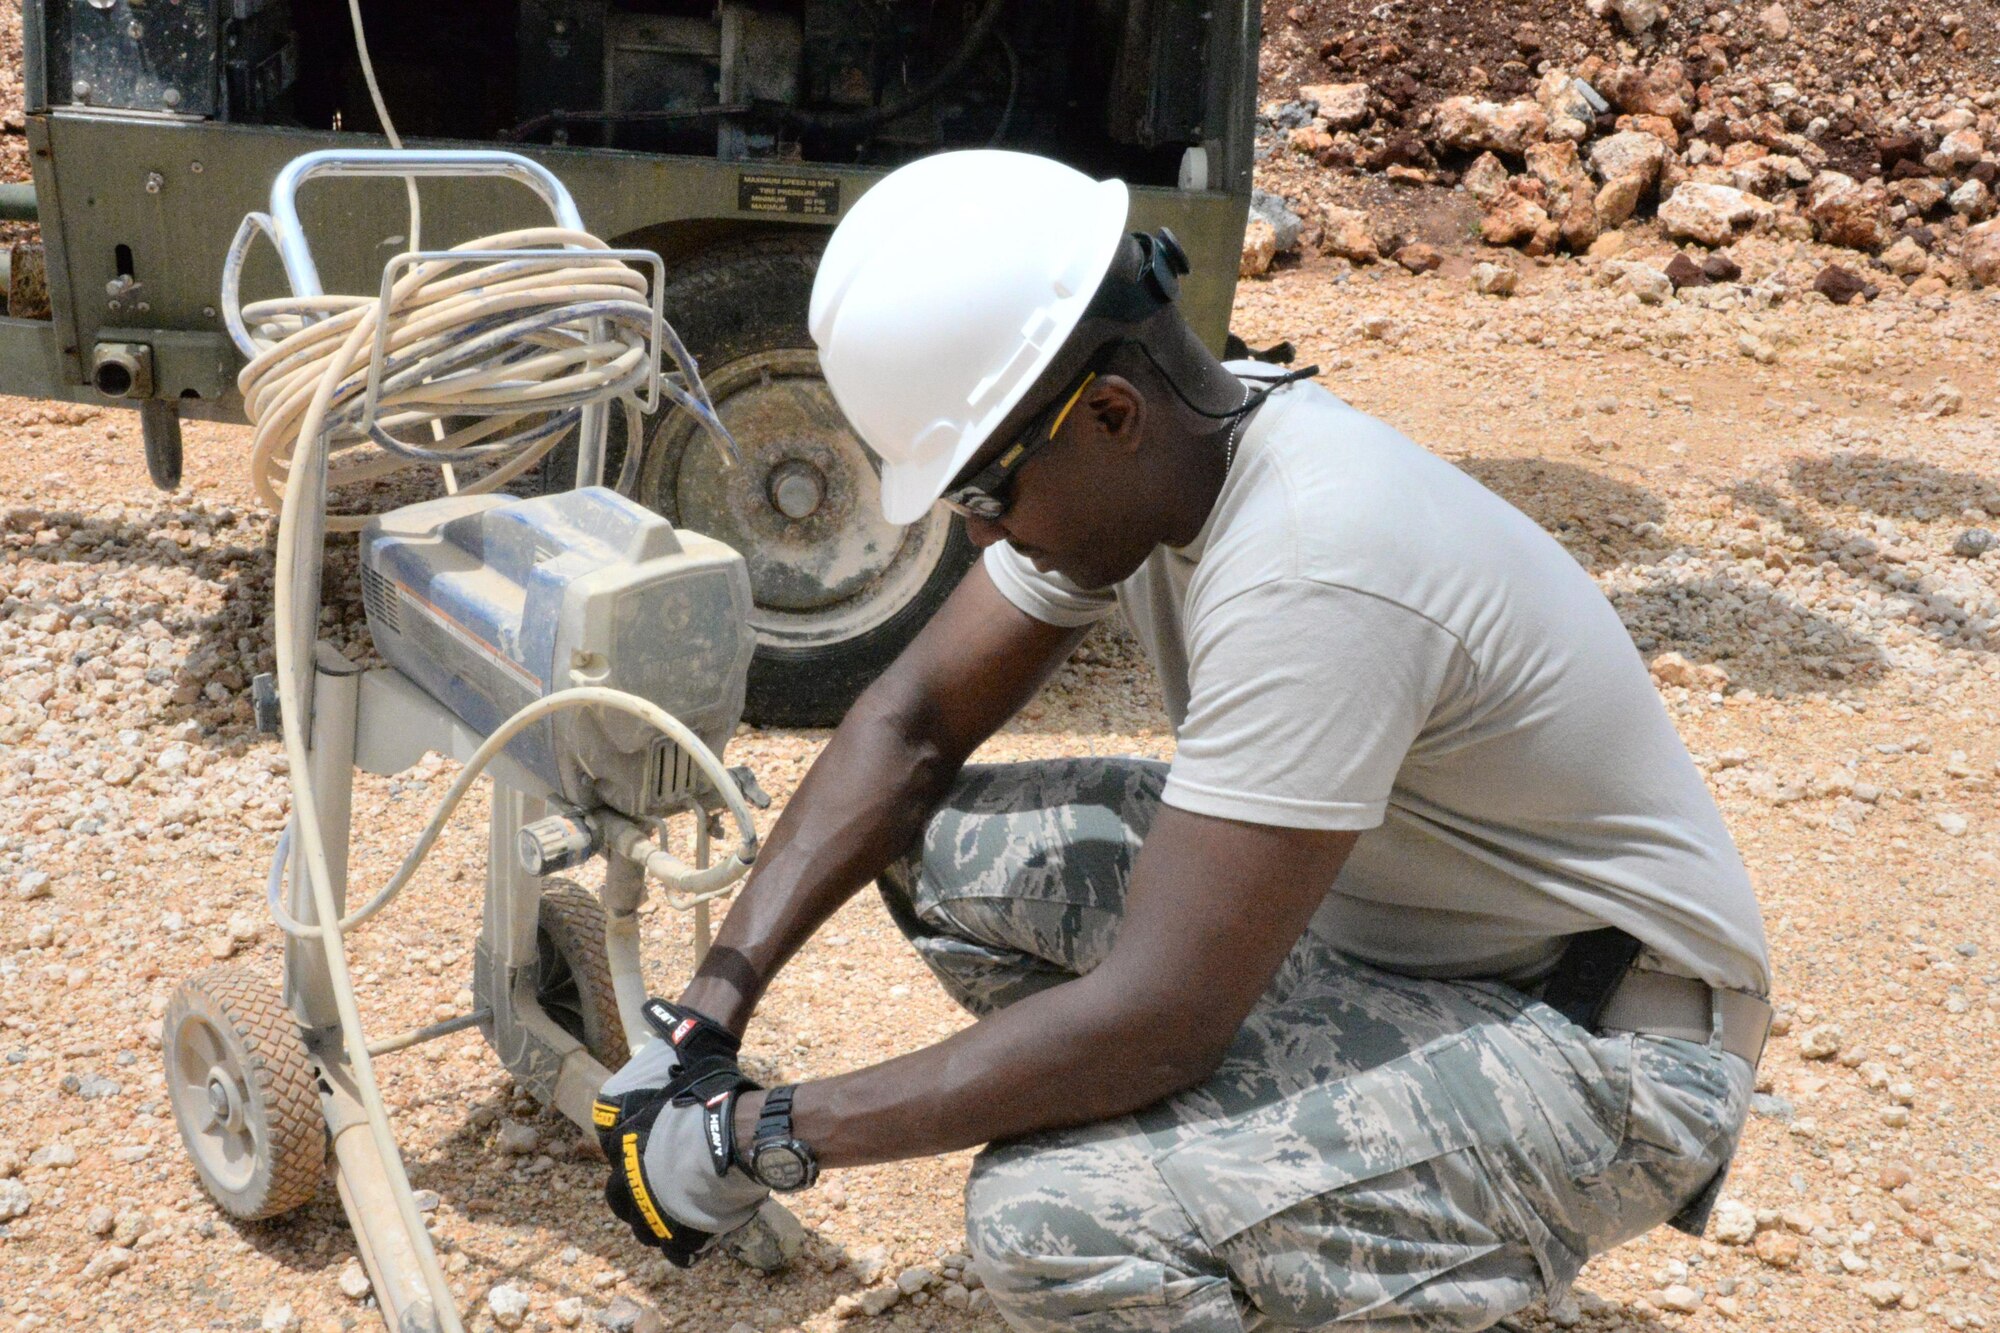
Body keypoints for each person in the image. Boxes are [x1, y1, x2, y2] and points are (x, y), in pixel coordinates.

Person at [591, 150, 1772, 1333]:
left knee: (1054, 1225)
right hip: (1397, 949)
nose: (982, 528)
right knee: (937, 850)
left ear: (1107, 414)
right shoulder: (1176, 456)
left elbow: (1164, 1017)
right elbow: (909, 729)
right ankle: (1268, 1175)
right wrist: (704, 1018)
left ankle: (1336, 1215)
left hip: (1603, 1053)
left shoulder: (1315, 561)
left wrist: (764, 1135)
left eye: (986, 492)